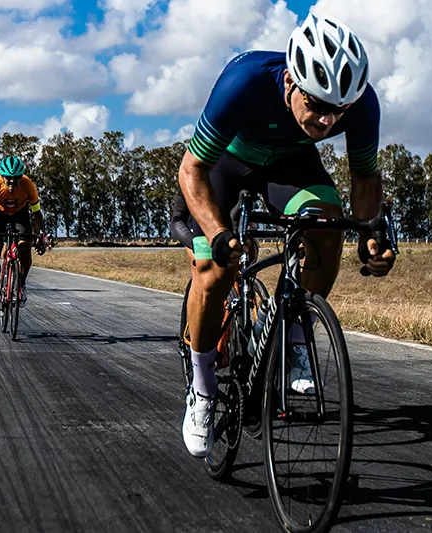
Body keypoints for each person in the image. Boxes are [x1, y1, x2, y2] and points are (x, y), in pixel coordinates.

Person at [177, 14, 395, 457]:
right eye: (315, 104)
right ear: (291, 81)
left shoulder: (362, 103)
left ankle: (293, 332)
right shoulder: (245, 82)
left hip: (291, 165)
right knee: (212, 269)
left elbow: (365, 179)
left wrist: (372, 233)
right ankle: (201, 391)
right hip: (227, 161)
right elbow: (191, 169)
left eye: (338, 111)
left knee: (327, 227)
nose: (324, 120)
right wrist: (219, 234)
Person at [0, 156, 47, 310]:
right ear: (1, 177)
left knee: (25, 246)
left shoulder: (28, 186)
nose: (11, 183)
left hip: (20, 213)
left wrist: (38, 236)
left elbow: (37, 214)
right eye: (8, 179)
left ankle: (21, 286)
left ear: (21, 177)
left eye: (15, 179)